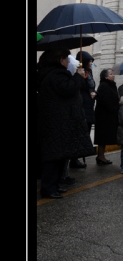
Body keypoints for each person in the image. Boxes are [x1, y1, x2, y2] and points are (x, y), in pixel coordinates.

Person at [37, 48, 94, 199]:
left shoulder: (52, 74)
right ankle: (49, 188)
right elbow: (68, 89)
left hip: (57, 123)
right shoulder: (56, 75)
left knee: (58, 156)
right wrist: (78, 77)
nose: (69, 62)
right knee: (53, 158)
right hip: (56, 124)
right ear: (60, 60)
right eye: (67, 59)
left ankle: (54, 185)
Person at [69, 51, 97, 168]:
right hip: (81, 105)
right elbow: (77, 88)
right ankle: (74, 159)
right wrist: (79, 77)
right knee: (78, 134)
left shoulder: (88, 72)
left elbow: (92, 85)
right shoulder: (76, 72)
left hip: (89, 105)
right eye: (89, 61)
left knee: (85, 132)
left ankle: (78, 157)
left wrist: (93, 92)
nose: (91, 63)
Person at [94, 68, 119, 165]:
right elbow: (105, 101)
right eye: (111, 74)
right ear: (106, 77)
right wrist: (114, 109)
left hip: (108, 115)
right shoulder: (104, 86)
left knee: (104, 137)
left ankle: (101, 156)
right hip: (104, 116)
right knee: (102, 137)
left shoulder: (111, 85)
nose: (113, 75)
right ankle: (101, 156)